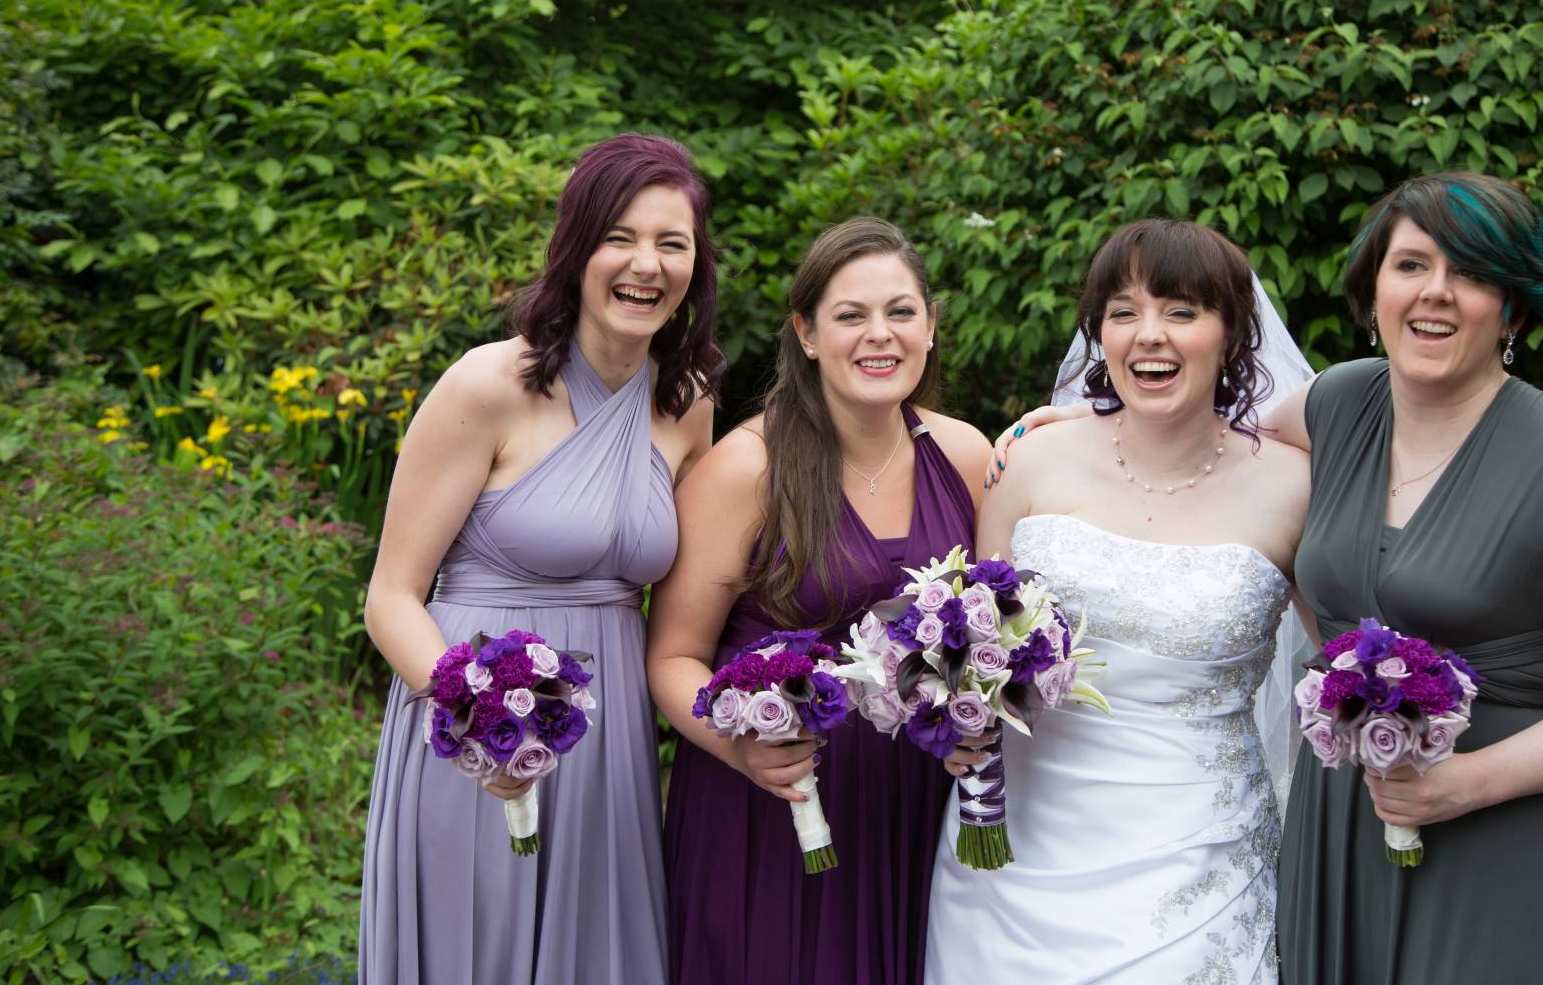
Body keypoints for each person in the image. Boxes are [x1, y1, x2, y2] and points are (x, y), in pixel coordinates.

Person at [997, 174, 1543, 984]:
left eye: (1471, 273)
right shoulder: (1339, 406)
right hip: (1346, 824)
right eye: (1411, 265)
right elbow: (1199, 438)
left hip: (1505, 831)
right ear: (1374, 292)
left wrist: (1473, 780)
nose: (1434, 292)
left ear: (1513, 309)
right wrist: (1086, 422)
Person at [358, 134, 724, 983]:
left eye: (671, 243)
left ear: (696, 266)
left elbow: (708, 585)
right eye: (620, 237)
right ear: (576, 247)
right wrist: (474, 717)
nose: (646, 265)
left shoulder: (688, 402)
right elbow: (391, 598)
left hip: (610, 743)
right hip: (473, 727)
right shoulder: (488, 385)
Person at [924, 218, 1309, 983]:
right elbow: (974, 642)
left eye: (1181, 311)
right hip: (1015, 856)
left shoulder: (1296, 486)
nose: (1148, 335)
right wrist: (954, 722)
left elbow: (1340, 663)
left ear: (1233, 333)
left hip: (1202, 855)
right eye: (1123, 312)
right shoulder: (1030, 461)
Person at [649, 217, 991, 985]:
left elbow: (993, 633)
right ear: (806, 334)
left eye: (901, 312)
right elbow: (671, 656)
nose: (880, 335)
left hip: (914, 807)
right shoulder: (747, 468)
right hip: (772, 809)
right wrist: (742, 748)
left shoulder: (967, 455)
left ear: (931, 327)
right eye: (850, 315)